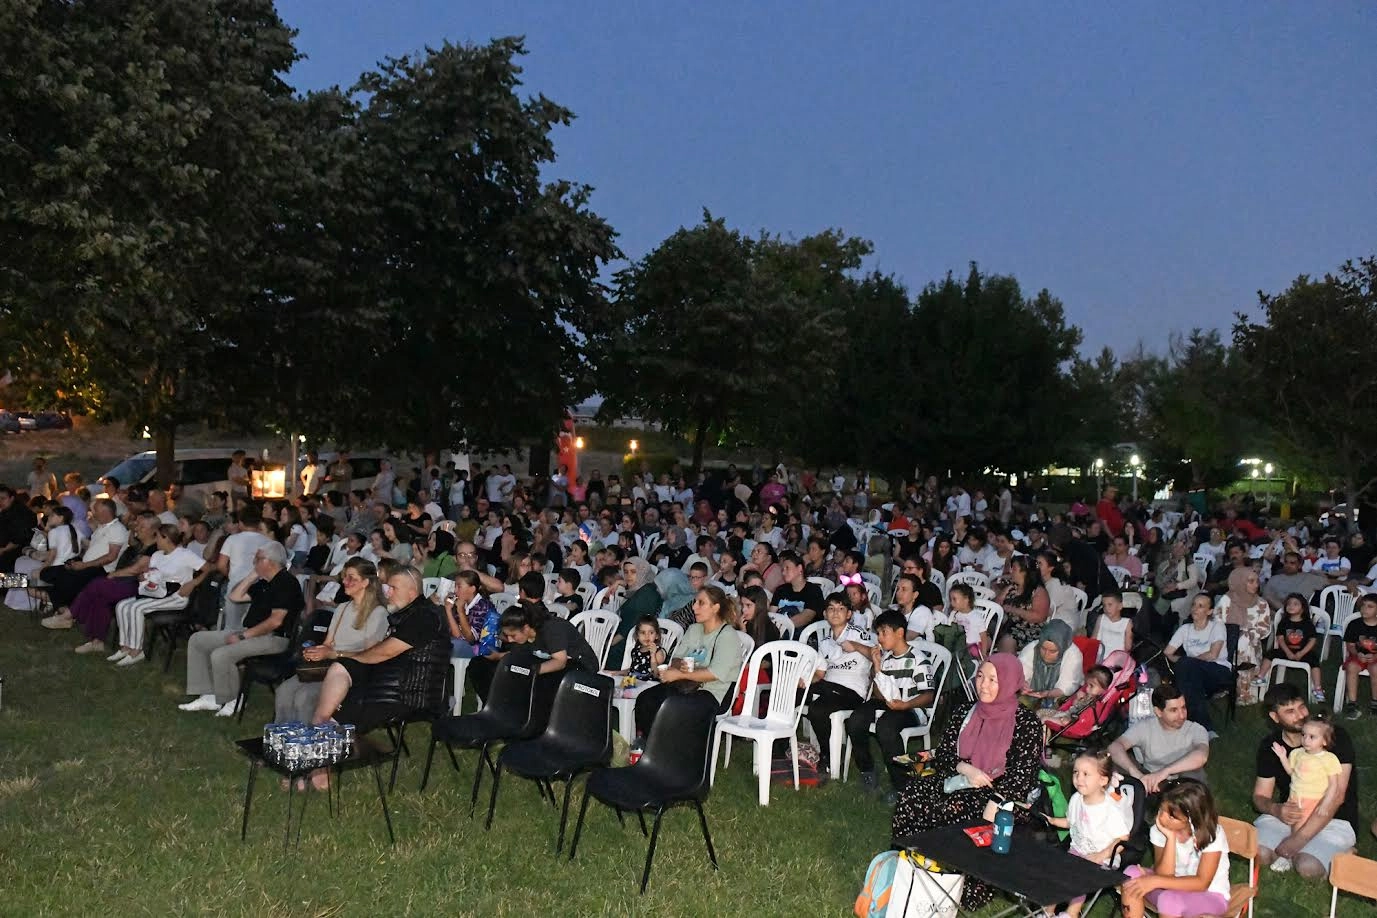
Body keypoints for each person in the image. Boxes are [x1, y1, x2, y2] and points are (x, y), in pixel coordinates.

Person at [890, 654, 1043, 911]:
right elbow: (945, 754)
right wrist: (966, 768)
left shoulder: (1026, 723)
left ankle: (965, 890)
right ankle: (909, 866)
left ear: (1009, 682)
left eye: (993, 680)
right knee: (913, 793)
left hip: (1002, 794)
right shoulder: (966, 711)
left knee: (956, 808)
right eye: (980, 676)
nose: (983, 685)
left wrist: (996, 800)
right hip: (962, 779)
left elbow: (1022, 776)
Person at [177, 541, 304, 716]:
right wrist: (253, 575)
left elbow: (275, 621)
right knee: (198, 640)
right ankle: (209, 695)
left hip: (275, 638)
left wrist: (243, 636)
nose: (254, 562)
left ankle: (232, 699)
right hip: (252, 633)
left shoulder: (286, 583)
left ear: (269, 562)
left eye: (257, 559)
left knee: (221, 654)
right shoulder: (265, 583)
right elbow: (235, 596)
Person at [1252, 683, 1359, 879]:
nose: (1300, 715)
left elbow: (1337, 795)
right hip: (1292, 814)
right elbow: (1260, 797)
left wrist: (1298, 839)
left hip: (1332, 818)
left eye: (1301, 707)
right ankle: (1298, 851)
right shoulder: (1271, 746)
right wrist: (1276, 809)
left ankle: (1342, 853)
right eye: (1290, 711)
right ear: (1275, 717)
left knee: (1307, 866)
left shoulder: (1332, 737)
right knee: (1259, 853)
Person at [273, 558, 388, 723]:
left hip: (351, 671)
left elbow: (370, 653)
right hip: (328, 665)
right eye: (344, 577)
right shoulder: (342, 608)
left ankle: (308, 737)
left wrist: (334, 654)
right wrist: (315, 652)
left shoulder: (378, 613)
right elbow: (328, 643)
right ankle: (283, 734)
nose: (345, 582)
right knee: (284, 691)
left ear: (365, 582)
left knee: (304, 697)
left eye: (351, 578)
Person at [845, 609, 937, 803]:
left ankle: (902, 785)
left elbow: (928, 695)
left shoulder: (918, 659)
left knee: (886, 727)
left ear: (899, 633)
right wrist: (877, 668)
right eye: (878, 633)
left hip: (912, 708)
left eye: (883, 633)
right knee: (855, 720)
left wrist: (906, 705)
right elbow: (880, 695)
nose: (879, 638)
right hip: (889, 703)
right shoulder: (886, 658)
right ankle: (867, 770)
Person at [633, 585, 744, 737]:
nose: (694, 607)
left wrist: (680, 674)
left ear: (715, 608)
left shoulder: (727, 635)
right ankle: (648, 743)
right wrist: (680, 667)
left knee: (673, 706)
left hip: (713, 692)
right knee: (646, 699)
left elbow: (714, 673)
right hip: (686, 685)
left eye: (701, 603)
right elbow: (676, 658)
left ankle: (668, 747)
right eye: (695, 602)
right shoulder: (694, 629)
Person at [1041, 749, 1134, 918]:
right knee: (1057, 872)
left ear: (1103, 780)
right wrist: (1053, 820)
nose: (1079, 778)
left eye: (1086, 774)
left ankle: (1071, 914)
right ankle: (1047, 912)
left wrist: (1100, 856)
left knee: (1078, 878)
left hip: (1103, 858)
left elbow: (1123, 839)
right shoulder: (1077, 799)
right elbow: (1071, 822)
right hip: (1077, 851)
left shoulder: (1109, 809)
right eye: (1076, 772)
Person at [1120, 779, 1232, 918]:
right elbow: (1163, 874)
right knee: (1130, 875)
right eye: (1162, 809)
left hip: (1210, 896)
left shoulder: (1211, 834)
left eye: (1171, 816)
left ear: (1191, 818)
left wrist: (1154, 881)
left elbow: (1202, 883)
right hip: (1169, 887)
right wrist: (1170, 838)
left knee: (1169, 900)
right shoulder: (1159, 830)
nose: (1162, 817)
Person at [109, 524, 212, 666]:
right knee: (122, 605)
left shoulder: (184, 554)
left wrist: (193, 583)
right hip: (157, 592)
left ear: (166, 538)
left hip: (176, 596)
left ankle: (136, 651)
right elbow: (153, 575)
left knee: (136, 608)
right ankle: (125, 647)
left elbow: (208, 568)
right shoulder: (157, 555)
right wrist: (144, 577)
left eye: (157, 536)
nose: (155, 539)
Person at [803, 592, 874, 782]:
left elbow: (876, 654)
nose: (835, 612)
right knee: (801, 697)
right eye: (831, 609)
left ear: (849, 614)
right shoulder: (825, 643)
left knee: (817, 706)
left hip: (852, 691)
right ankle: (784, 746)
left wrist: (856, 646)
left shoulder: (858, 633)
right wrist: (805, 681)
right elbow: (821, 673)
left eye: (841, 608)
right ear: (825, 614)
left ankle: (826, 756)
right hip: (829, 688)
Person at [1108, 684, 1210, 793]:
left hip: (1181, 781)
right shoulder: (1145, 727)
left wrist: (1165, 771)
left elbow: (1201, 756)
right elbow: (1114, 747)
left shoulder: (1195, 729)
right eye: (1174, 710)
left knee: (1196, 774)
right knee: (1113, 763)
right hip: (1149, 778)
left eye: (1183, 708)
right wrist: (1136, 774)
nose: (1182, 715)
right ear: (1158, 712)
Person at [1268, 716, 1342, 861]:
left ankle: (1287, 856)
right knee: (1293, 823)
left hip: (1313, 800)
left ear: (1324, 741)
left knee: (1300, 828)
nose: (1306, 740)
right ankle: (1294, 853)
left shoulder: (1328, 759)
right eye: (1304, 735)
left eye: (1312, 737)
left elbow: (1334, 785)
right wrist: (1283, 757)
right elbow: (1292, 772)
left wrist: (1326, 804)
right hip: (1295, 797)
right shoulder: (1297, 753)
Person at [1163, 594, 1233, 733]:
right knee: (1190, 679)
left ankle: (1184, 723)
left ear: (1209, 611)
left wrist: (1186, 662)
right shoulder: (1185, 629)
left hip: (1218, 670)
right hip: (1192, 672)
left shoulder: (1217, 626)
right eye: (1194, 604)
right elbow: (1167, 652)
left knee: (1187, 670)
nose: (1195, 608)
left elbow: (1213, 654)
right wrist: (1183, 662)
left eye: (1200, 606)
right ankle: (1205, 729)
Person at [1254, 593, 1323, 702]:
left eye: (1295, 604)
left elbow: (1312, 640)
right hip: (1286, 650)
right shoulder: (1284, 622)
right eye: (1289, 604)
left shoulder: (1308, 624)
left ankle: (1317, 688)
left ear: (1303, 608)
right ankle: (1261, 676)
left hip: (1302, 652)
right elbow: (1280, 639)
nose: (1291, 606)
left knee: (1314, 659)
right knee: (1270, 654)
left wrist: (1301, 653)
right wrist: (1287, 652)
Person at [1216, 566, 1271, 706]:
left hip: (1251, 645)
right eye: (1251, 581)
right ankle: (1228, 685)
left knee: (1243, 643)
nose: (1256, 585)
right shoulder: (1226, 600)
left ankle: (1242, 690)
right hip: (1226, 640)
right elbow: (1217, 623)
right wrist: (1233, 634)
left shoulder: (1261, 603)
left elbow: (1264, 629)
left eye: (1257, 581)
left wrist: (1245, 635)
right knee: (1238, 642)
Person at [1018, 619, 1083, 708]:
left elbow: (1067, 687)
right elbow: (1020, 673)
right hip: (1031, 693)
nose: (1046, 654)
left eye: (1052, 651)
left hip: (1059, 698)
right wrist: (1023, 684)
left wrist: (1048, 693)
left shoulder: (1073, 655)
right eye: (1043, 648)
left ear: (1062, 648)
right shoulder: (1032, 648)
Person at [995, 555, 1050, 651]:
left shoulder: (1038, 592)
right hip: (1007, 625)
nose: (1011, 571)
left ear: (1024, 572)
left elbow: (1038, 617)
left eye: (1014, 569)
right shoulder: (1012, 587)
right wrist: (1000, 593)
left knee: (1008, 639)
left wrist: (1013, 610)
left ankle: (1006, 660)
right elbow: (997, 604)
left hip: (1028, 629)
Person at [1340, 592, 1377, 719]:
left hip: (1375, 658)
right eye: (1363, 605)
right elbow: (1350, 645)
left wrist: (1375, 657)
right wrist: (1357, 653)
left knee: (1376, 669)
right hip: (1357, 655)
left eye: (1370, 606)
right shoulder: (1354, 624)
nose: (1365, 609)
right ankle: (1352, 703)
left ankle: (1375, 703)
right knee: (1351, 667)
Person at [771, 550, 826, 629]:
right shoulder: (780, 590)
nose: (783, 573)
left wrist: (782, 628)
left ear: (800, 568)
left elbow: (806, 617)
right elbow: (772, 614)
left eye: (787, 568)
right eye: (782, 570)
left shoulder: (813, 591)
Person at [1093, 589, 1134, 658]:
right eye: (1104, 605)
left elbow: (1128, 647)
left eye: (1110, 605)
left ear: (1120, 606)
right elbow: (1093, 639)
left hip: (1117, 659)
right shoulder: (1101, 618)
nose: (1106, 608)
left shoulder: (1127, 623)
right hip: (1099, 657)